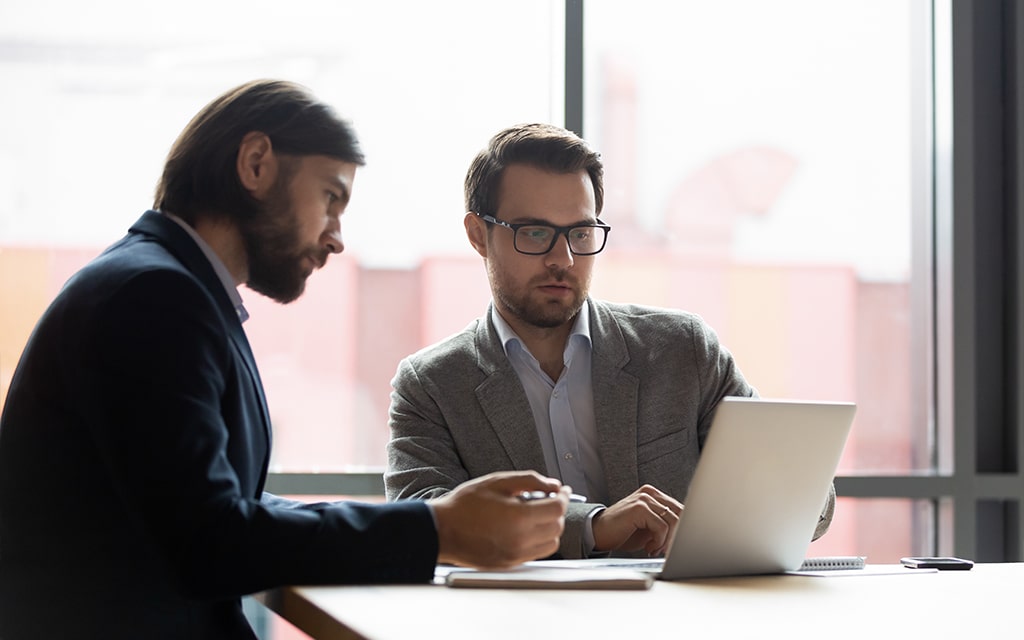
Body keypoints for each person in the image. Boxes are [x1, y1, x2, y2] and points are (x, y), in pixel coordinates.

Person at [0, 81, 572, 640]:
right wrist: (437, 529)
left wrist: (436, 524)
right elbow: (210, 540)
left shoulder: (163, 287)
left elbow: (221, 505)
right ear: (255, 164)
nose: (337, 238)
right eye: (330, 197)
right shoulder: (154, 298)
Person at [384, 123, 835, 560]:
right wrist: (592, 526)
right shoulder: (431, 386)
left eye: (580, 234)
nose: (562, 259)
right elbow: (424, 525)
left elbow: (810, 504)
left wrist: (789, 491)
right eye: (535, 233)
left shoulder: (682, 350)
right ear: (478, 235)